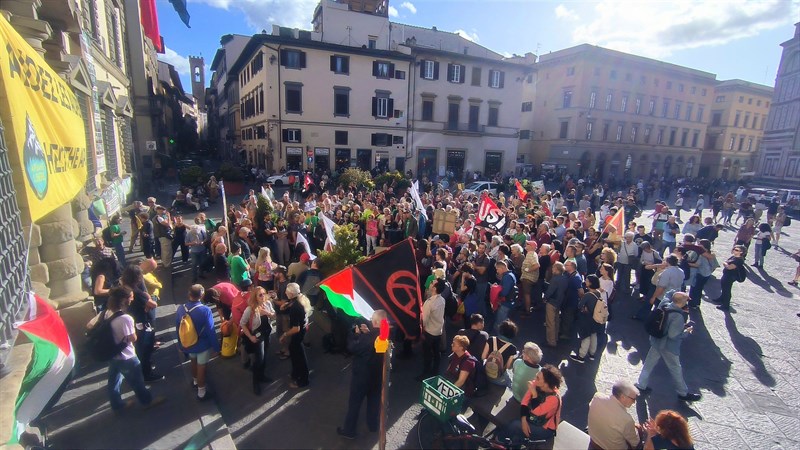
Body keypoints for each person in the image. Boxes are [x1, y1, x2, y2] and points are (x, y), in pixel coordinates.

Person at [90, 286, 165, 411]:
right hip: (127, 356)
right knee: (138, 382)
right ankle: (147, 402)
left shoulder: (108, 312)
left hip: (113, 355)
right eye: (131, 297)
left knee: (114, 381)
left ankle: (117, 405)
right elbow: (132, 338)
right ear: (124, 300)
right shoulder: (126, 318)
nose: (133, 299)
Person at [636, 292, 702, 402]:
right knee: (675, 368)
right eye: (686, 300)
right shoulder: (678, 317)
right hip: (668, 347)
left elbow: (667, 294)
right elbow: (673, 335)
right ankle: (683, 392)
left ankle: (641, 384)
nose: (687, 302)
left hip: (656, 341)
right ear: (681, 302)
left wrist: (676, 292)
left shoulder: (664, 305)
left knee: (649, 363)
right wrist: (686, 331)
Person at [337, 310, 388, 440]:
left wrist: (354, 334)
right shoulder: (384, 335)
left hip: (361, 377)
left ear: (375, 322)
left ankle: (349, 430)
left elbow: (352, 347)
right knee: (374, 400)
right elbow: (375, 345)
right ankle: (372, 425)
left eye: (372, 319)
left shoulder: (366, 339)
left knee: (355, 402)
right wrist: (367, 333)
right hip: (377, 376)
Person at [498, 364, 562, 444]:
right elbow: (524, 401)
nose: (535, 379)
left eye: (538, 378)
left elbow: (537, 412)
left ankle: (498, 441)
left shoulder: (554, 399)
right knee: (516, 435)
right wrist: (524, 420)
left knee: (514, 426)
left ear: (546, 384)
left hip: (544, 427)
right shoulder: (537, 384)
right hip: (530, 418)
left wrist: (534, 394)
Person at [175, 284, 218, 400]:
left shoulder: (181, 308)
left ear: (189, 294)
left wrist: (180, 343)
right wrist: (216, 347)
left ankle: (194, 381)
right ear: (202, 295)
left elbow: (178, 327)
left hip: (188, 343)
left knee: (193, 361)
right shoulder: (205, 310)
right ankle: (201, 392)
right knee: (201, 367)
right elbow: (210, 330)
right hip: (202, 344)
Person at [240, 286, 276, 394]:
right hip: (258, 336)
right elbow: (242, 324)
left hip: (267, 333)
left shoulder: (268, 304)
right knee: (259, 359)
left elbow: (274, 316)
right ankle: (255, 383)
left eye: (264, 293)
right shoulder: (250, 309)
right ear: (255, 297)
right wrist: (251, 337)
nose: (263, 296)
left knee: (264, 356)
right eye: (260, 295)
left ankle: (262, 376)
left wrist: (268, 313)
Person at [587, 380, 642, 450]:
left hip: (594, 442)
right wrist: (637, 429)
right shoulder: (626, 419)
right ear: (623, 397)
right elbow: (634, 442)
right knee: (639, 430)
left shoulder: (597, 397)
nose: (634, 402)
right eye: (633, 399)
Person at [279, 283, 312, 388]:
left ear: (292, 293)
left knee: (299, 357)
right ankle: (295, 373)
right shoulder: (300, 298)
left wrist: (284, 334)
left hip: (298, 333)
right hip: (302, 330)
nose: (285, 293)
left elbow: (295, 328)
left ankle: (303, 380)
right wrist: (286, 306)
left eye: (287, 292)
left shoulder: (295, 308)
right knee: (294, 352)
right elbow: (292, 304)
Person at [570, 275, 605, 363]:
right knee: (594, 336)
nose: (585, 281)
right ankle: (592, 354)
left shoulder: (587, 295)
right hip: (596, 319)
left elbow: (579, 305)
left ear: (591, 283)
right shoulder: (598, 293)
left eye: (587, 280)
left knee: (586, 337)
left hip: (587, 319)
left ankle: (581, 356)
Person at [418, 279, 446, 380]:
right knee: (436, 352)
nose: (430, 284)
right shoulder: (442, 300)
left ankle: (425, 373)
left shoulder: (429, 303)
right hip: (438, 331)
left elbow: (424, 320)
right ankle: (435, 371)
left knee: (427, 354)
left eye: (432, 283)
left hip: (429, 332)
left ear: (434, 288)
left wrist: (421, 331)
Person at [482, 320, 518, 386]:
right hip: (498, 378)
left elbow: (483, 357)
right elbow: (507, 366)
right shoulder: (512, 348)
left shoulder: (491, 339)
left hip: (485, 374)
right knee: (509, 381)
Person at [710, 245, 746, 311]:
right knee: (724, 288)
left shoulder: (739, 260)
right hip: (726, 275)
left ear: (741, 252)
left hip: (730, 277)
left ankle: (725, 305)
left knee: (727, 290)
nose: (734, 250)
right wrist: (726, 263)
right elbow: (727, 262)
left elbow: (729, 267)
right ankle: (721, 298)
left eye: (737, 250)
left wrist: (725, 264)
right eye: (734, 249)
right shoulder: (734, 257)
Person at [543, 262, 567, 347]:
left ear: (556, 269)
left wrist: (545, 298)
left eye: (553, 268)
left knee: (550, 322)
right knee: (556, 320)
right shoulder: (565, 278)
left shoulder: (555, 279)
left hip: (552, 302)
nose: (552, 269)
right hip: (559, 302)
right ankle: (555, 337)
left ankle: (551, 341)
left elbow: (550, 291)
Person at [560, 260, 583, 340]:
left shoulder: (576, 277)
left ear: (572, 267)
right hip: (566, 300)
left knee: (568, 318)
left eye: (566, 265)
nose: (564, 266)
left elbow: (581, 291)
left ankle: (566, 334)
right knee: (565, 316)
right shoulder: (568, 274)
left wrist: (581, 301)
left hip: (571, 302)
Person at [493, 261, 518, 333]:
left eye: (497, 269)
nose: (497, 271)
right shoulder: (511, 275)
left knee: (500, 323)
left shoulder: (507, 277)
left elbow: (504, 292)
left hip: (506, 303)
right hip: (509, 302)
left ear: (502, 268)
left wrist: (496, 291)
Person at [520, 241, 541, 315]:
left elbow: (536, 265)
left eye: (527, 244)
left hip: (528, 278)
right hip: (530, 278)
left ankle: (527, 311)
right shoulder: (532, 254)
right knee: (527, 294)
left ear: (532, 246)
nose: (526, 245)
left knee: (527, 294)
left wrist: (527, 270)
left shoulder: (531, 254)